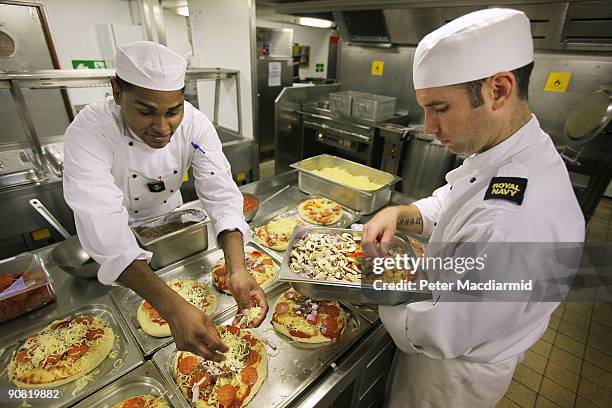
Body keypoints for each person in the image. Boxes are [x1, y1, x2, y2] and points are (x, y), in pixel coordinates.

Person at [362, 9, 585, 407]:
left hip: (451, 378)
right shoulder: (505, 159)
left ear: (498, 90)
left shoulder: (514, 222)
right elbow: (451, 204)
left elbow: (439, 331)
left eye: (441, 108)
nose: (429, 127)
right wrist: (399, 214)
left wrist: (372, 290)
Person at [63, 41, 267, 362]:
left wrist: (237, 269)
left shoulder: (195, 125)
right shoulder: (90, 131)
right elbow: (104, 226)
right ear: (117, 92)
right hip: (120, 247)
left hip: (169, 222)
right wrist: (171, 309)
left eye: (173, 111)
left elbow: (222, 194)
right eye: (145, 111)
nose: (161, 128)